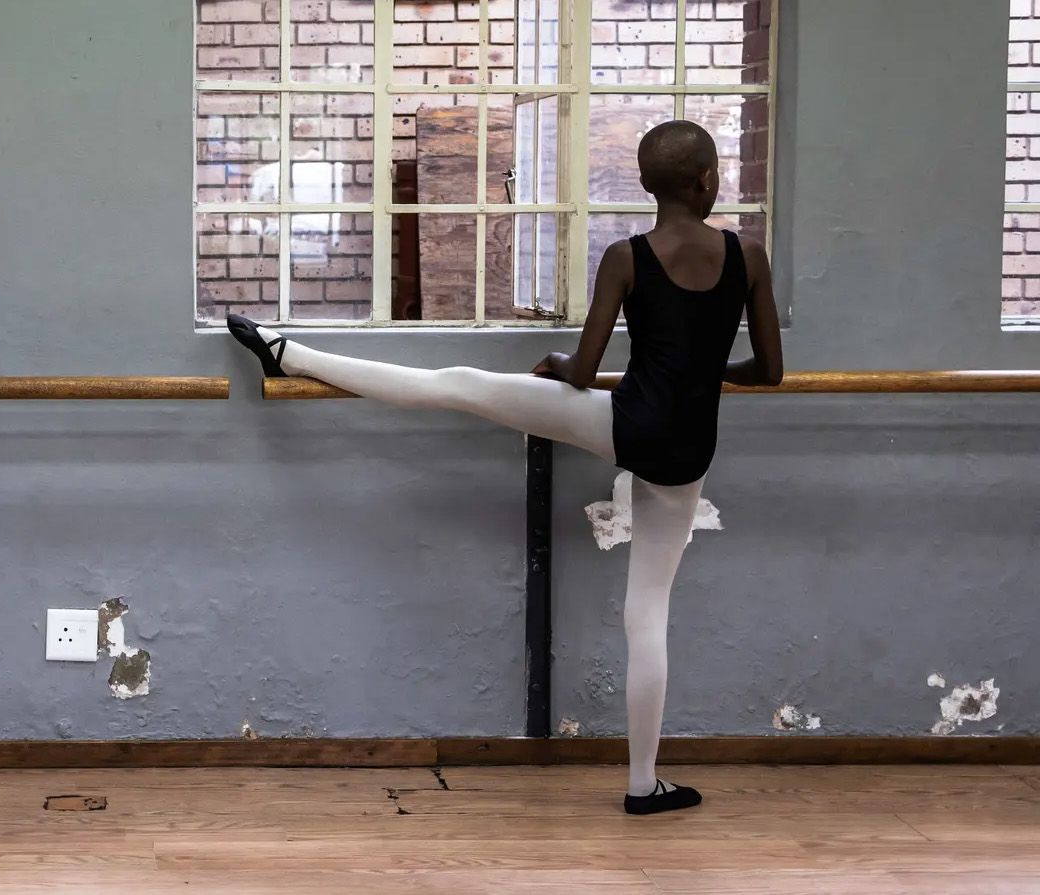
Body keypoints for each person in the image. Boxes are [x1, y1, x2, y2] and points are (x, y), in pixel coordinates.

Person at [228, 120, 782, 815]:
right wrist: (707, 370)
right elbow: (771, 369)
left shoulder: (626, 256)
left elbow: (581, 370)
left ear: (647, 185)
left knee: (460, 384)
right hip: (685, 454)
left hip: (622, 424)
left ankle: (291, 355)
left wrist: (557, 368)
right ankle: (644, 783)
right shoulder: (747, 255)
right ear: (708, 181)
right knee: (648, 614)